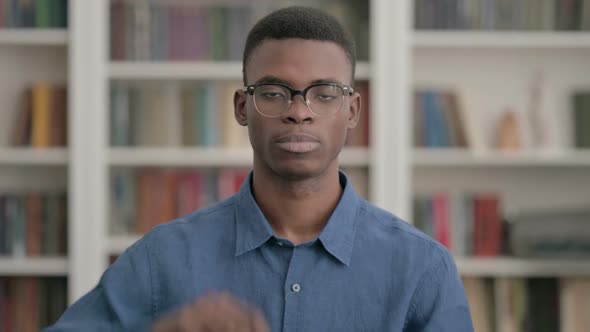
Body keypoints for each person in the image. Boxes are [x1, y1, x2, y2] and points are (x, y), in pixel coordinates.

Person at [45, 6, 473, 332]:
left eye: (324, 93)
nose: (299, 112)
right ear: (241, 108)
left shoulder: (422, 269)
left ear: (353, 110)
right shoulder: (163, 260)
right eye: (273, 92)